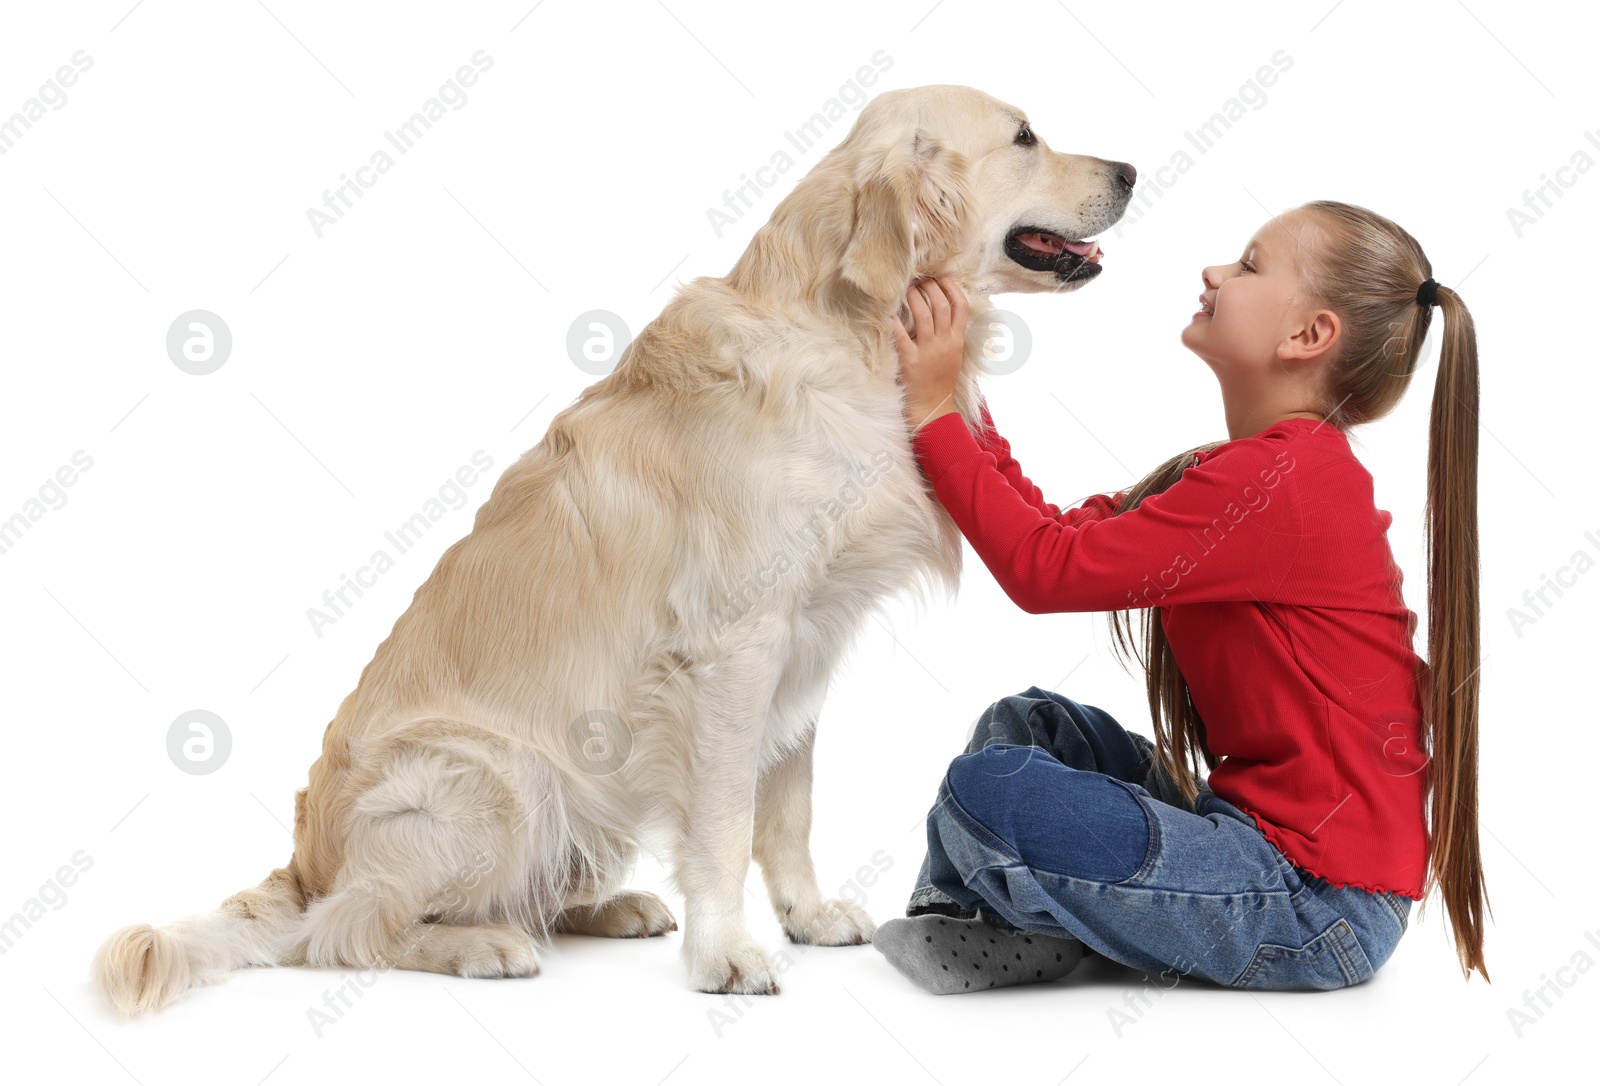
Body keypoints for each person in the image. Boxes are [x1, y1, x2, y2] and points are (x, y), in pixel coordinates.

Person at [871, 201, 1489, 994]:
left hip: (1317, 904)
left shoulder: (1285, 483)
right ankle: (993, 920)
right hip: (1251, 844)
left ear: (1309, 336)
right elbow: (1056, 533)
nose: (1215, 274)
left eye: (1250, 265)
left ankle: (1012, 921)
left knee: (988, 790)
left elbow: (1040, 572)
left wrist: (926, 412)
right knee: (1027, 725)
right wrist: (956, 396)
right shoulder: (1256, 471)